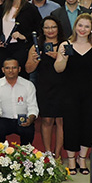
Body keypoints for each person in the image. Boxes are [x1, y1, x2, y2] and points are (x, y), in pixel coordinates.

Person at [54, 13, 92, 175]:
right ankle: (71, 159)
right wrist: (64, 58)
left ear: (91, 29)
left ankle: (82, 158)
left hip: (91, 91)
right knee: (71, 124)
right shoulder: (65, 44)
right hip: (70, 91)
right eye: (80, 25)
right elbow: (58, 69)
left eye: (87, 26)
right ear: (75, 27)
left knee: (89, 124)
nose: (83, 29)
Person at [25, 17, 65, 157]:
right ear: (42, 30)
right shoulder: (37, 45)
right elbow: (28, 69)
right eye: (47, 27)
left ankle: (58, 153)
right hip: (44, 86)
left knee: (61, 120)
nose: (50, 30)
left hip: (63, 86)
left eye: (53, 27)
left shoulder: (65, 44)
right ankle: (48, 152)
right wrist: (35, 60)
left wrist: (58, 57)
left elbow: (73, 67)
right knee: (47, 120)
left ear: (58, 28)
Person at [0, 57, 39, 145]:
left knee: (28, 131)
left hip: (22, 119)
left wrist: (30, 119)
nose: (11, 70)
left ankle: (26, 153)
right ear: (3, 70)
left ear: (19, 69)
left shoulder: (28, 85)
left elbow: (33, 106)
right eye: (7, 68)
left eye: (14, 67)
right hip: (4, 119)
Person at [0, 0, 41, 71]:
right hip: (4, 48)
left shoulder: (30, 9)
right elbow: (0, 27)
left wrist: (24, 36)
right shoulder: (4, 7)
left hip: (21, 49)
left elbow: (39, 29)